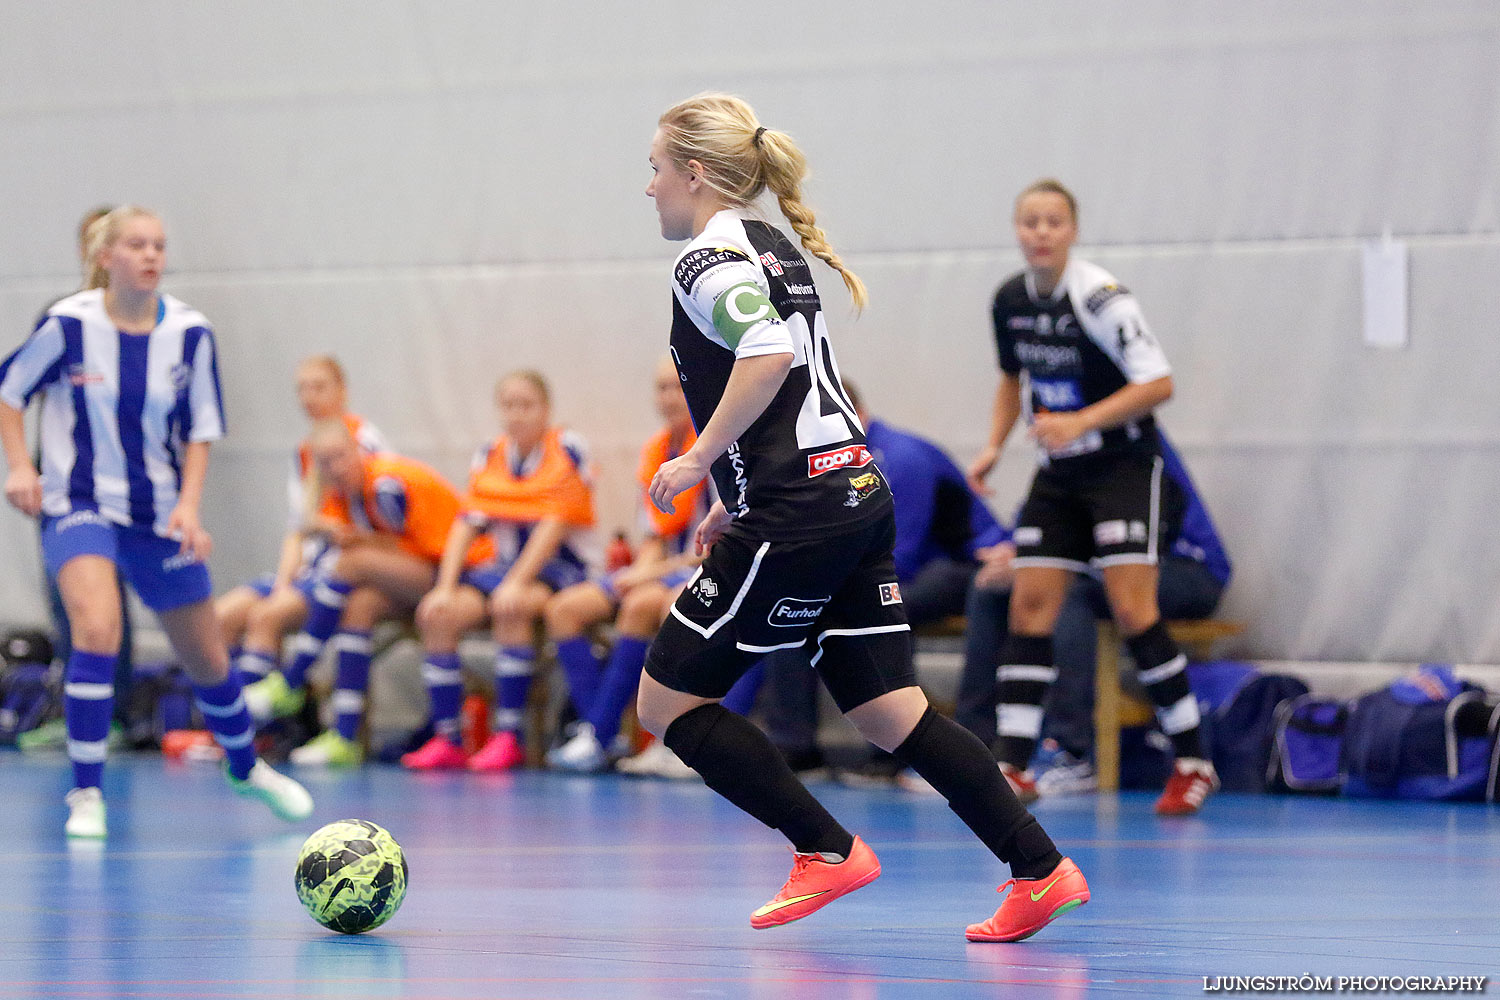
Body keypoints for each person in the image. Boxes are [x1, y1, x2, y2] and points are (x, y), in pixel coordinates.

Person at [637, 93, 1087, 940]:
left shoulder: (707, 259)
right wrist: (729, 496)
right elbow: (803, 382)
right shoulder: (774, 246)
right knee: (888, 711)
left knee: (665, 703)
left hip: (799, 513)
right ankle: (1040, 868)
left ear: (694, 173)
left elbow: (770, 356)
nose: (649, 187)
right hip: (853, 493)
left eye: (654, 169)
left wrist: (699, 461)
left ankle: (824, 848)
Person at [0, 204, 313, 837]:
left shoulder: (191, 334)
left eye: (159, 246)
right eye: (137, 245)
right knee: (96, 629)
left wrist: (189, 507)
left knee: (207, 659)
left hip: (156, 512)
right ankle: (86, 794)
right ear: (105, 257)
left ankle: (246, 766)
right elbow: (10, 392)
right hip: (79, 503)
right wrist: (20, 468)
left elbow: (200, 431)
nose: (151, 256)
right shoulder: (68, 325)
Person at [967, 178, 1217, 816]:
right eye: (1030, 222)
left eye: (1053, 221)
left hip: (1124, 466)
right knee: (1029, 606)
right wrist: (994, 444)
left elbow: (1159, 382)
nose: (1041, 232)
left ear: (1072, 230)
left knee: (1133, 609)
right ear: (1017, 230)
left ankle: (1192, 761)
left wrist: (1083, 420)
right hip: (1060, 474)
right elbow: (1011, 377)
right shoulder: (1009, 299)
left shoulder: (1101, 298)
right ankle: (1013, 766)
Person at [759, 380, 1016, 776]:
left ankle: (893, 750)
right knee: (795, 604)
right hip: (912, 568)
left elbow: (900, 557)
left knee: (889, 605)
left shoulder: (900, 458)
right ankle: (794, 745)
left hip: (969, 565)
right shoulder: (832, 462)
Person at [956, 427, 1231, 795]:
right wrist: (1013, 552)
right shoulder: (1060, 451)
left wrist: (1042, 564)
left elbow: (1136, 543)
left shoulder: (1135, 448)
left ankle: (1071, 751)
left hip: (1183, 567)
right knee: (992, 589)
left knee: (1071, 595)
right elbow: (1042, 518)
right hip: (1098, 564)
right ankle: (977, 747)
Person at [240, 420, 479, 767]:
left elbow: (425, 549)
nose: (334, 467)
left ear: (357, 451)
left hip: (459, 573)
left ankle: (292, 680)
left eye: (340, 456)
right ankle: (345, 736)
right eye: (324, 461)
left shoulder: (387, 486)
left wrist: (362, 544)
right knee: (359, 605)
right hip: (416, 575)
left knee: (351, 563)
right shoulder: (341, 495)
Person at [402, 370, 602, 772]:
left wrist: (516, 583)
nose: (517, 414)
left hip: (560, 568)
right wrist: (444, 585)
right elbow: (467, 522)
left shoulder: (567, 447)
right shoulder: (490, 454)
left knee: (512, 605)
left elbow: (555, 521)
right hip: (502, 566)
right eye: (509, 405)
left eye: (526, 405)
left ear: (545, 409)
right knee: (435, 613)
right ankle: (448, 738)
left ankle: (508, 735)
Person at [542, 356, 712, 772]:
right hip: (666, 565)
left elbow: (713, 544)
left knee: (648, 604)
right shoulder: (656, 450)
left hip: (709, 566)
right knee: (562, 610)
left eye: (677, 386)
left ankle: (671, 742)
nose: (669, 397)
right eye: (661, 388)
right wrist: (636, 572)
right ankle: (601, 734)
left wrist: (644, 575)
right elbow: (655, 535)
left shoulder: (716, 444)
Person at [215, 355, 386, 684]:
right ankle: (236, 717)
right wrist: (283, 583)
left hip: (344, 571)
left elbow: (371, 527)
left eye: (319, 387)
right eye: (302, 389)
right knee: (221, 617)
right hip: (311, 567)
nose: (309, 398)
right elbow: (298, 529)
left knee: (267, 617)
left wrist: (329, 529)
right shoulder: (304, 452)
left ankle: (262, 716)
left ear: (342, 391)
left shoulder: (366, 444)